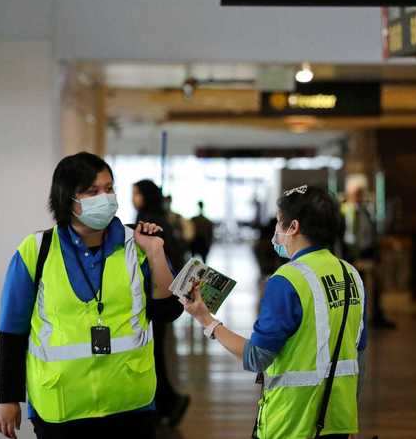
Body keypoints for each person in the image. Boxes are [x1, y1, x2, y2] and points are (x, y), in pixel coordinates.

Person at [0, 152, 182, 439]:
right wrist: (7, 397)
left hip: (130, 404)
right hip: (61, 406)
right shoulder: (36, 251)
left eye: (109, 189)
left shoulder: (138, 246)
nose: (104, 198)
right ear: (67, 198)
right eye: (92, 191)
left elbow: (169, 312)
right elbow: (12, 330)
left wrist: (156, 251)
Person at [182, 185, 367, 439]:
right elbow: (356, 350)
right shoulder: (350, 274)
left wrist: (207, 320)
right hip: (339, 420)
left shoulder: (287, 280)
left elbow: (256, 357)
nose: (276, 231)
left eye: (280, 222)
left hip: (291, 422)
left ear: (294, 227)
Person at [133, 180, 191, 428]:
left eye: (135, 194)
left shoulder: (149, 223)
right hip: (161, 296)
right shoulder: (161, 219)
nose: (133, 198)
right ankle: (166, 403)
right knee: (154, 354)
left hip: (154, 297)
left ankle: (164, 404)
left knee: (151, 355)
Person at [342, 186, 395, 329]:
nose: (360, 197)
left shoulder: (365, 211)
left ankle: (375, 314)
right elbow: (348, 235)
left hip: (368, 252)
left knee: (374, 284)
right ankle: (356, 317)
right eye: (357, 194)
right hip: (354, 254)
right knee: (356, 287)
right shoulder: (347, 211)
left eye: (361, 194)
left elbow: (369, 233)